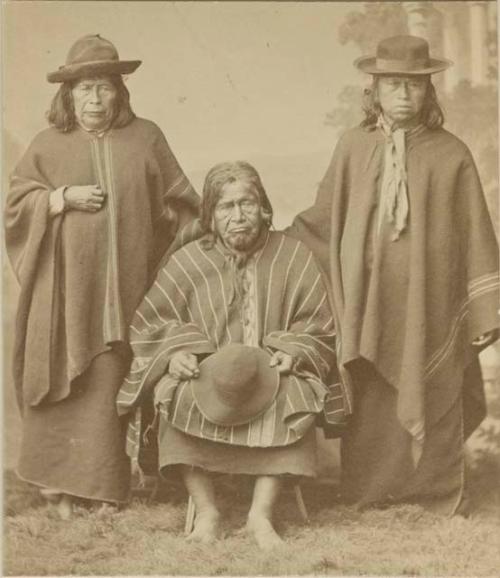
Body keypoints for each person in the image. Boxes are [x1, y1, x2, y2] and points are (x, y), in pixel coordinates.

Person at [288, 35, 499, 514]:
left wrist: (485, 308)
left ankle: (431, 494)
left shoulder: (452, 154)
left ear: (429, 93)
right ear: (375, 91)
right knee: (373, 394)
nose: (404, 94)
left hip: (432, 302)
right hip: (369, 303)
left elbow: (477, 233)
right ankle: (370, 491)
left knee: (435, 381)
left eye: (414, 85)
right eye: (393, 85)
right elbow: (326, 217)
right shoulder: (352, 147)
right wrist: (277, 242)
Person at [5, 34, 200, 518]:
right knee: (65, 381)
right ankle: (57, 486)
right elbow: (14, 209)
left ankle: (106, 488)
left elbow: (181, 202)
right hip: (65, 295)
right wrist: (59, 198)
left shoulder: (146, 136)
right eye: (85, 89)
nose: (94, 99)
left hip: (131, 291)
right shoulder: (47, 146)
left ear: (120, 91)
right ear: (67, 95)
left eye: (104, 88)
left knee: (111, 385)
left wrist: (178, 241)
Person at [116, 161, 346, 548]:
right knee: (172, 391)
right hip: (208, 380)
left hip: (271, 377)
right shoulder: (187, 262)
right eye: (225, 207)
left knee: (298, 393)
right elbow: (151, 321)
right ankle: (207, 511)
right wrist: (176, 354)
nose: (238, 216)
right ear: (209, 215)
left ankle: (261, 515)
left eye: (247, 204)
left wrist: (292, 352)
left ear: (265, 208)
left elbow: (318, 323)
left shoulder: (294, 257)